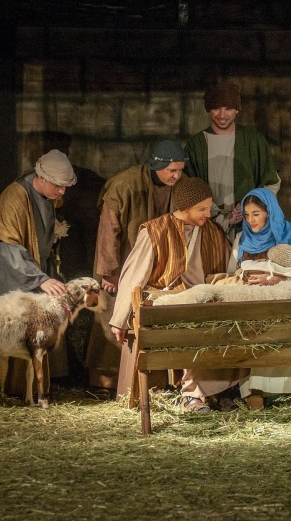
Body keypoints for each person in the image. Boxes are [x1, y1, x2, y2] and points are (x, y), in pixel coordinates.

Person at [108, 176, 235, 412]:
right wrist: (119, 319)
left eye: (209, 207)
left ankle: (216, 390)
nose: (208, 214)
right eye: (202, 209)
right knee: (191, 326)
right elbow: (134, 276)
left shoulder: (211, 232)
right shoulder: (156, 231)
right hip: (166, 301)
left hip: (202, 299)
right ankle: (192, 395)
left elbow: (227, 268)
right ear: (185, 207)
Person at [85, 140, 188, 394]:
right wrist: (110, 270)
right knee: (111, 314)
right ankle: (105, 380)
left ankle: (150, 381)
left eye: (180, 170)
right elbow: (109, 229)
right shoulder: (125, 184)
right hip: (122, 262)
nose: (177, 176)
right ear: (156, 165)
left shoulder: (180, 186)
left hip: (156, 265)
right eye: (172, 171)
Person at [226, 188, 291, 409]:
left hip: (289, 302)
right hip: (256, 305)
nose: (251, 220)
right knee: (259, 335)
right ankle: (257, 391)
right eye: (246, 214)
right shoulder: (242, 239)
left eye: (256, 214)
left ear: (269, 212)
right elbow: (231, 273)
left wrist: (277, 278)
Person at [0, 149, 77, 397]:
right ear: (42, 178)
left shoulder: (48, 197)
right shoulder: (14, 198)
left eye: (65, 187)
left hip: (40, 271)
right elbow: (7, 247)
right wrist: (40, 279)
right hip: (17, 276)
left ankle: (37, 390)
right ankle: (15, 390)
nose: (61, 192)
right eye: (58, 186)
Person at [184, 82, 281, 240]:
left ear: (237, 109)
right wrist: (217, 216)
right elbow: (190, 188)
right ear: (208, 109)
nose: (222, 115)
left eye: (228, 108)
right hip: (208, 226)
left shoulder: (254, 141)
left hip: (247, 227)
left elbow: (271, 182)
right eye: (216, 108)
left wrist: (250, 205)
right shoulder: (196, 145)